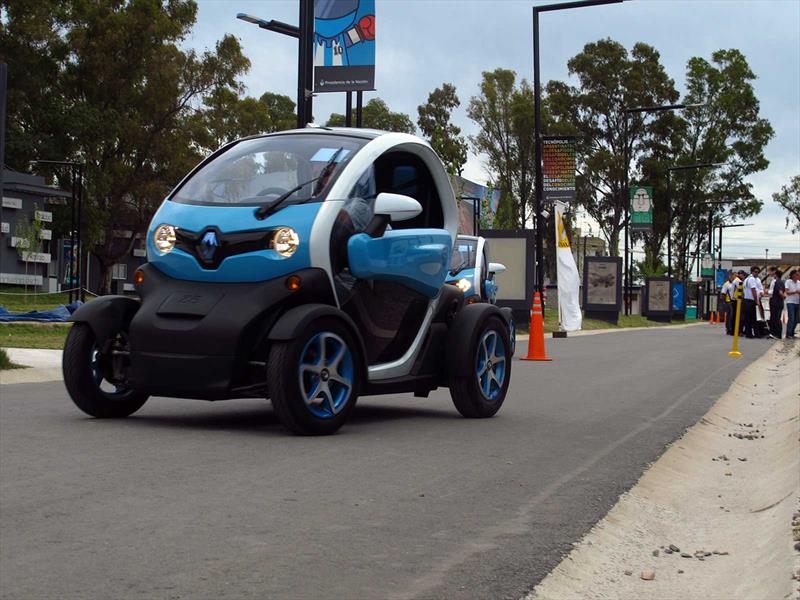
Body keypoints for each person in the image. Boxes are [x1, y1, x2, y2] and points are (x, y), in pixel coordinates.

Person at [742, 266, 762, 339]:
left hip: (747, 300)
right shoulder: (752, 279)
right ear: (752, 272)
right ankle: (754, 333)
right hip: (751, 300)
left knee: (748, 318)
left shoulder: (746, 279)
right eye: (755, 272)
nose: (757, 273)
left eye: (758, 272)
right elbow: (753, 290)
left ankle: (748, 333)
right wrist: (756, 300)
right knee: (753, 318)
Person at [768, 268, 785, 339]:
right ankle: (776, 333)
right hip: (779, 302)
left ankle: (777, 334)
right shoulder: (781, 282)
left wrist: (783, 297)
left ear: (776, 274)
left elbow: (780, 292)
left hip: (775, 302)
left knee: (776, 318)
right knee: (776, 318)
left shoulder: (777, 282)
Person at [720, 271, 736, 335]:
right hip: (729, 301)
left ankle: (733, 328)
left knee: (733, 315)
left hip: (735, 301)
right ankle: (729, 328)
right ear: (730, 276)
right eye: (733, 276)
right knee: (730, 315)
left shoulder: (736, 283)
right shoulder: (726, 284)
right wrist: (724, 302)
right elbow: (723, 294)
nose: (734, 277)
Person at [786, 269, 799, 339]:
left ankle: (792, 332)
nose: (798, 276)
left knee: (796, 319)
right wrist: (795, 292)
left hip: (797, 302)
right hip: (790, 302)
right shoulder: (788, 282)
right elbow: (787, 292)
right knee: (791, 318)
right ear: (793, 275)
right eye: (797, 274)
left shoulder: (799, 282)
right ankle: (788, 333)